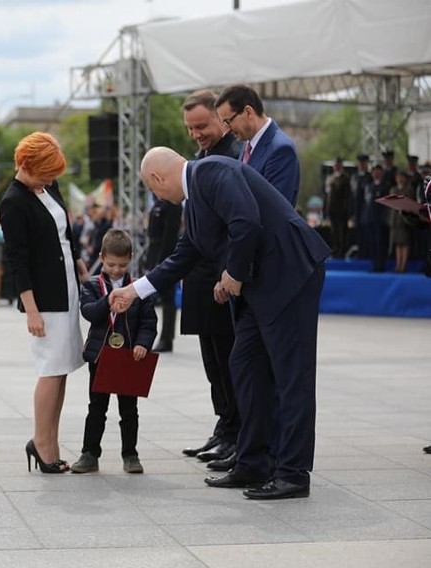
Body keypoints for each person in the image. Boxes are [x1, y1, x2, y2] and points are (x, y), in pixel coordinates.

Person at [109, 147, 330, 500]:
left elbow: (246, 222)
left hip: (289, 276)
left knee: (292, 378)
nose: (157, 198)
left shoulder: (211, 171)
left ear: (157, 179)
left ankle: (292, 473)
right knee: (244, 366)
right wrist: (134, 291)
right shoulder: (195, 198)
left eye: (153, 190)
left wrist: (234, 274)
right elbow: (183, 257)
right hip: (262, 287)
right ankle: (253, 460)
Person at [0, 131, 88, 474]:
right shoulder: (13, 202)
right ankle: (41, 442)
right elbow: (17, 260)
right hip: (44, 298)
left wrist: (78, 259)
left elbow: (65, 232)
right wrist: (31, 310)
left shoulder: (48, 185)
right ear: (24, 165)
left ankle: (50, 439)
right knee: (50, 369)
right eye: (44, 173)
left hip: (66, 286)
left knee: (62, 368)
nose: (50, 180)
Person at [178, 89, 243, 470]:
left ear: (222, 119)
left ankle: (237, 431)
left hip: (224, 274)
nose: (197, 134)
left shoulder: (234, 157)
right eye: (190, 129)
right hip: (200, 272)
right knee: (212, 360)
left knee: (229, 357)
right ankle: (224, 425)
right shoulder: (201, 158)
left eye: (202, 125)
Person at [71, 229, 157, 474]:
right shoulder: (92, 285)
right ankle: (89, 453)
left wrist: (143, 343)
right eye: (111, 264)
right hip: (101, 356)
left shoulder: (140, 287)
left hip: (130, 355)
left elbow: (149, 322)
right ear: (101, 257)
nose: (117, 269)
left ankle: (130, 454)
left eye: (121, 264)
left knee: (129, 409)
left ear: (130, 258)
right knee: (97, 407)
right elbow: (88, 312)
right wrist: (108, 300)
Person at [215, 84, 300, 206]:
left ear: (248, 112)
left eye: (228, 122)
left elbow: (275, 211)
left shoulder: (281, 150)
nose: (227, 130)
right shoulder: (247, 145)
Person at [144, 196, 181, 353]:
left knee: (167, 298)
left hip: (163, 253)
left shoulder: (171, 203)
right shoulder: (159, 203)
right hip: (154, 251)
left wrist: (162, 261)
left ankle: (167, 338)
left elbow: (170, 235)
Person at [325, 157, 352, 258]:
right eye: (335, 165)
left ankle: (342, 250)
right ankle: (335, 249)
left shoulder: (345, 178)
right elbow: (327, 195)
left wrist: (346, 208)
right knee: (334, 231)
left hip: (341, 209)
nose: (336, 166)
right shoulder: (330, 178)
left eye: (338, 165)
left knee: (341, 231)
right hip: (331, 209)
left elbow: (347, 195)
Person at [389, 170, 414, 273]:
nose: (400, 179)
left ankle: (403, 266)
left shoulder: (409, 189)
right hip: (395, 220)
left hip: (404, 220)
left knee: (404, 243)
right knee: (397, 244)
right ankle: (398, 265)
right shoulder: (393, 189)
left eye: (402, 177)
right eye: (398, 177)